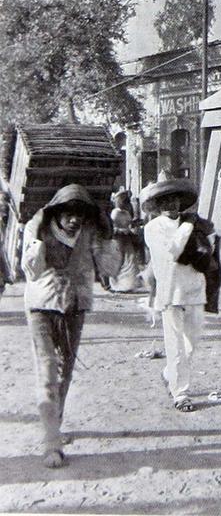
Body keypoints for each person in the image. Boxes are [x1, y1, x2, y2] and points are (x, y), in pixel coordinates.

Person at [21, 184, 121, 468]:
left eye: (79, 213)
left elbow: (111, 269)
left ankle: (56, 422)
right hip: (42, 305)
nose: (74, 219)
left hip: (74, 306)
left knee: (65, 370)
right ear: (56, 211)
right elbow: (30, 270)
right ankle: (51, 442)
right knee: (48, 368)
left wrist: (108, 235)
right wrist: (36, 237)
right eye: (68, 212)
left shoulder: (90, 232)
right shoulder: (37, 226)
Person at [142, 171, 215, 412]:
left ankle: (168, 374)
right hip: (171, 292)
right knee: (175, 346)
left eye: (174, 199)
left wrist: (197, 231)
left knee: (191, 345)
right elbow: (173, 251)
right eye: (165, 200)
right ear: (157, 204)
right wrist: (188, 225)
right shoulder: (153, 228)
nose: (171, 204)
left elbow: (207, 248)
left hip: (194, 289)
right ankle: (180, 393)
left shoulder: (194, 224)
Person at [108, 188, 142, 293]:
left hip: (127, 238)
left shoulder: (126, 213)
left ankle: (128, 284)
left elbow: (129, 224)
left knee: (130, 259)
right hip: (117, 238)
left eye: (124, 200)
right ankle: (117, 284)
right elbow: (113, 226)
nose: (123, 202)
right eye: (121, 200)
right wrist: (122, 230)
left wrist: (133, 225)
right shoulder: (114, 213)